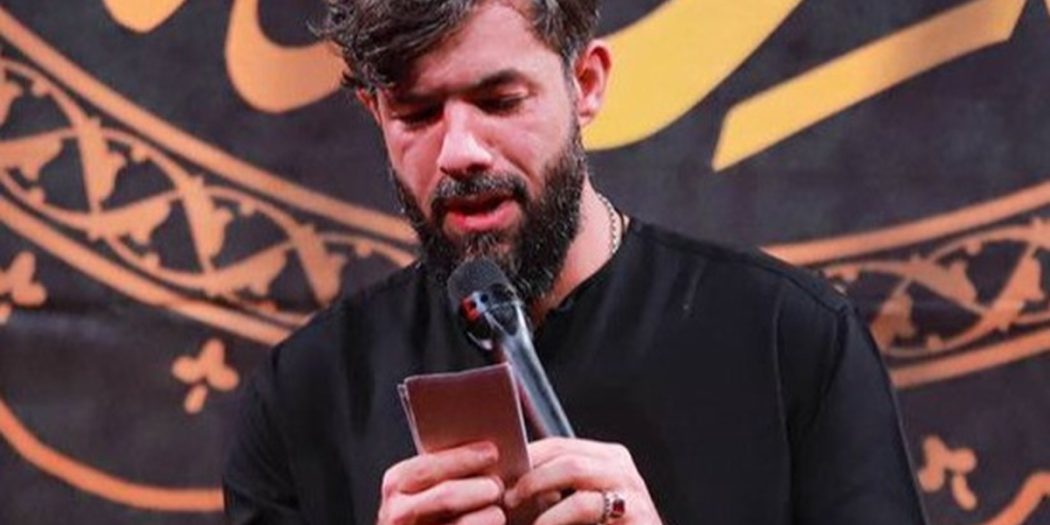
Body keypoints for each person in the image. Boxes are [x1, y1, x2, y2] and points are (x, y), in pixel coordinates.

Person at [223, 1, 929, 523]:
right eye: (417, 113)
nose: (460, 150)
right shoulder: (302, 397)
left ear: (586, 83)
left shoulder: (791, 340)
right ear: (375, 113)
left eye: (499, 100)